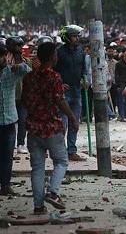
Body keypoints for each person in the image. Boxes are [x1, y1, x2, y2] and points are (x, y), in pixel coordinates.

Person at [21, 42, 74, 214]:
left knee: (37, 168)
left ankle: (38, 206)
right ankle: (53, 192)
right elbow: (60, 100)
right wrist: (72, 117)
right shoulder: (54, 76)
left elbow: (25, 101)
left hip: (34, 128)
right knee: (61, 161)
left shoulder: (29, 77)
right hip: (51, 127)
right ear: (52, 57)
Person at [0, 44, 31, 196]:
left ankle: (5, 185)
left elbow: (28, 72)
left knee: (7, 155)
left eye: (3, 56)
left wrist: (18, 63)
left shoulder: (11, 71)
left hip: (9, 120)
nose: (2, 59)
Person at [54, 24, 87, 161]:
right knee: (63, 122)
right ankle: (60, 150)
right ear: (67, 38)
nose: (77, 39)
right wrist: (60, 84)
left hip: (77, 90)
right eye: (74, 36)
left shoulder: (81, 51)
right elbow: (54, 71)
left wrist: (85, 79)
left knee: (75, 122)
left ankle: (72, 150)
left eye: (78, 36)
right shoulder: (59, 52)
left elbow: (84, 68)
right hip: (64, 92)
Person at [115, 47, 126, 122]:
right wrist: (118, 85)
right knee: (121, 99)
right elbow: (116, 74)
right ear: (123, 53)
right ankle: (121, 115)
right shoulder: (119, 63)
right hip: (121, 82)